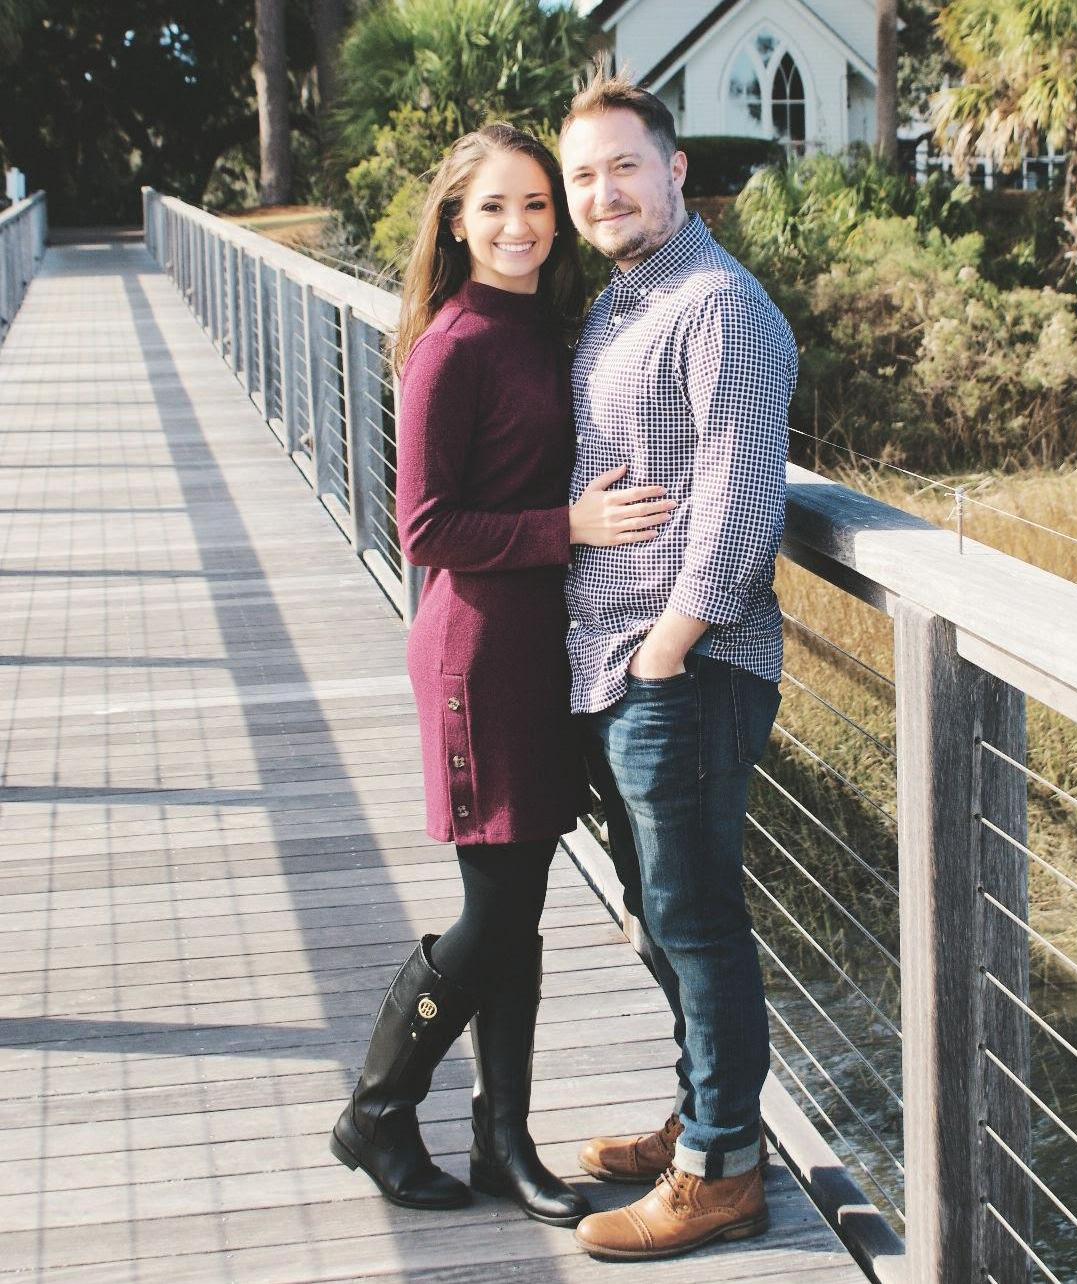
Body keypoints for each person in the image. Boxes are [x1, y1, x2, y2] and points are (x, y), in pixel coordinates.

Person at [329, 123, 677, 1226]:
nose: (520, 225)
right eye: (494, 207)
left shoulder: (548, 326)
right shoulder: (455, 343)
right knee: (495, 913)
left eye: (536, 204)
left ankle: (499, 1140)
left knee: (516, 909)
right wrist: (567, 527)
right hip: (476, 657)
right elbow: (424, 526)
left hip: (545, 651)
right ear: (455, 220)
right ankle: (378, 1110)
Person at [557, 68, 799, 1261]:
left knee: (695, 922)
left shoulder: (720, 306)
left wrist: (666, 653)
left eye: (624, 165)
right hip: (618, 667)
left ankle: (722, 1172)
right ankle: (702, 1117)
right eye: (584, 175)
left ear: (675, 169)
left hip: (686, 669)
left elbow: (743, 499)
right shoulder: (620, 303)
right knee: (661, 919)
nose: (604, 191)